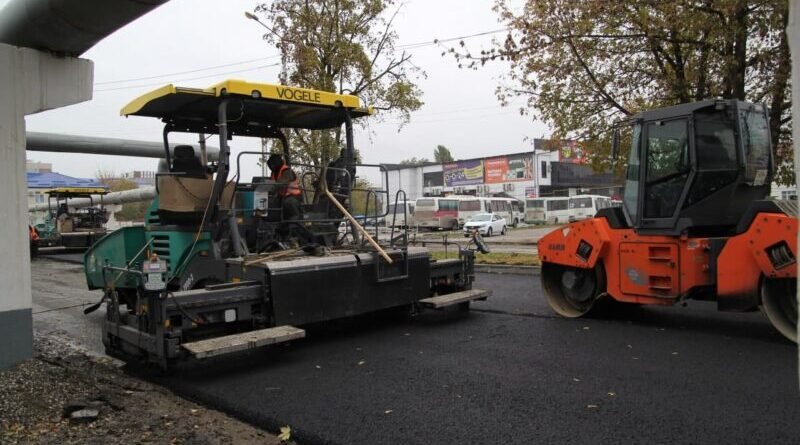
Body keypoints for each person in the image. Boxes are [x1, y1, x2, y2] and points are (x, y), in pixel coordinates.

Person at [266, 154, 302, 221]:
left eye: (272, 164)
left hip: (294, 196)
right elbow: (271, 183)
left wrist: (270, 189)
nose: (271, 166)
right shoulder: (274, 173)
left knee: (288, 202)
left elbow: (282, 183)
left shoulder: (287, 171)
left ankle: (295, 221)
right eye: (270, 165)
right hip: (281, 196)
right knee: (267, 202)